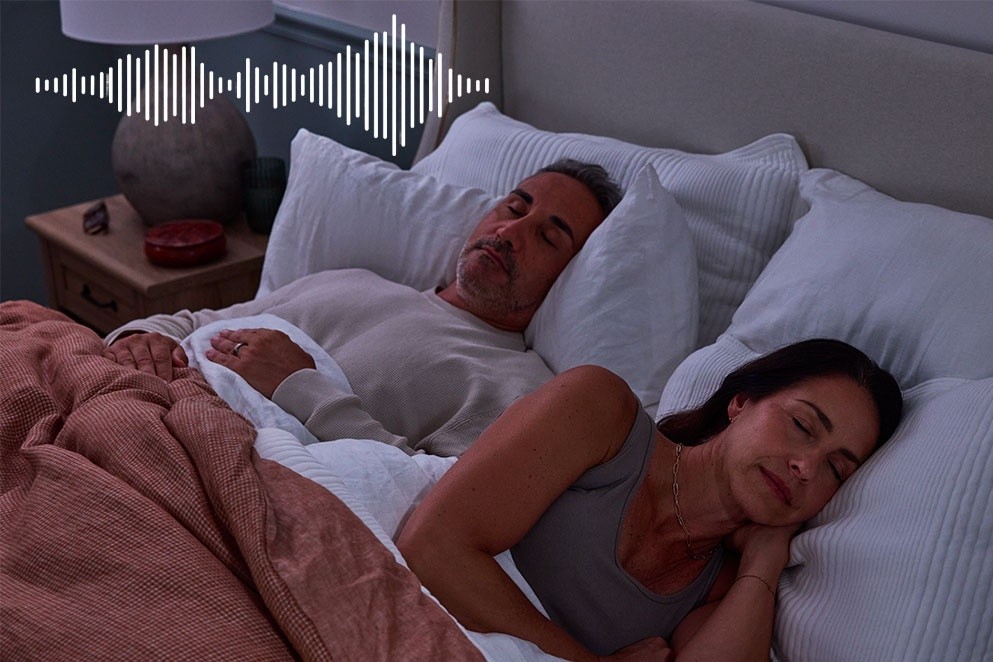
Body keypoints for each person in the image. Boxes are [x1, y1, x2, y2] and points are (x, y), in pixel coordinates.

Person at [397, 338, 903, 661]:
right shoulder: (604, 413)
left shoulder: (724, 588)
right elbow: (433, 546)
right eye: (802, 425)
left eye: (836, 469)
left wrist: (764, 562)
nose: (806, 467)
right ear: (741, 402)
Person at [103, 159, 623, 457]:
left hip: (226, 459)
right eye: (514, 208)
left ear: (570, 275)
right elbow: (192, 323)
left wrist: (301, 388)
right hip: (142, 407)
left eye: (548, 237)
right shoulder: (351, 280)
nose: (510, 232)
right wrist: (140, 337)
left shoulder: (517, 388)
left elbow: (432, 494)